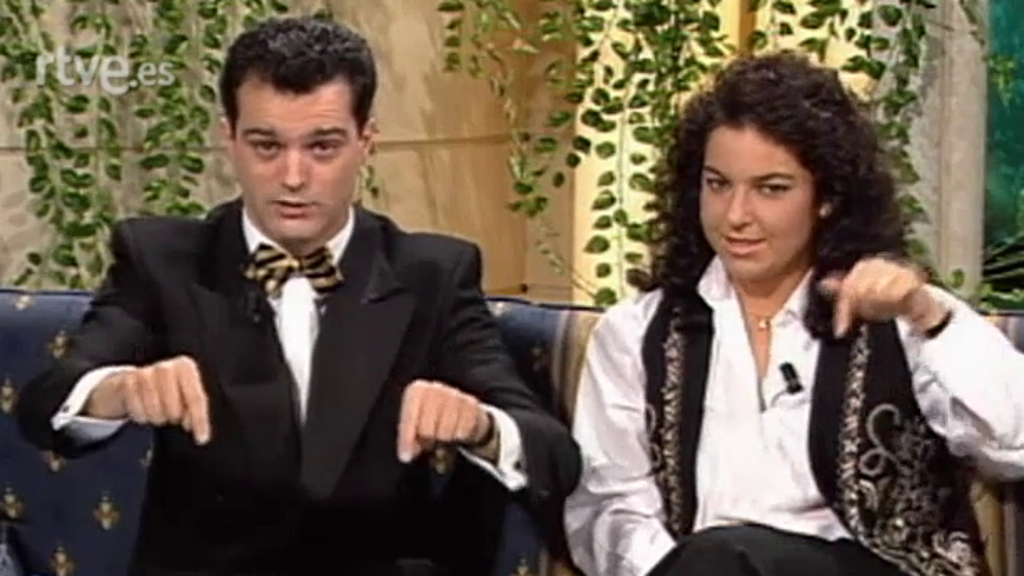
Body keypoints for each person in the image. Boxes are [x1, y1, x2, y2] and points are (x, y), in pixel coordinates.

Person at [16, 16, 581, 576]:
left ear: (366, 142)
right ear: (229, 139)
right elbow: (45, 406)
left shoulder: (431, 273)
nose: (292, 176)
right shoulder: (161, 259)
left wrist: (480, 426)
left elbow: (554, 456)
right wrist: (119, 391)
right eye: (266, 145)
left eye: (322, 147)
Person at [562, 51, 1024, 576]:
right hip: (704, 569)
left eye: (771, 189)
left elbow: (1015, 445)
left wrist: (928, 316)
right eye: (718, 184)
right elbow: (608, 507)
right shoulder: (636, 333)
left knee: (727, 554)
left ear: (826, 198)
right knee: (722, 556)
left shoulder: (899, 315)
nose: (736, 215)